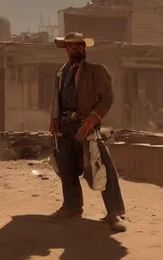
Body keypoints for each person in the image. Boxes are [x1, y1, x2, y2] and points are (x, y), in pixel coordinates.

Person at [46, 32, 127, 232]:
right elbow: (57, 99)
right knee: (67, 168)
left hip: (86, 126)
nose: (75, 49)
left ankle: (114, 213)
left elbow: (107, 98)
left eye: (79, 46)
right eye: (71, 46)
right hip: (64, 127)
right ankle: (72, 207)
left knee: (103, 167)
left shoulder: (96, 71)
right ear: (66, 49)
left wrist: (94, 117)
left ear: (84, 48)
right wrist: (54, 120)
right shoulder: (61, 73)